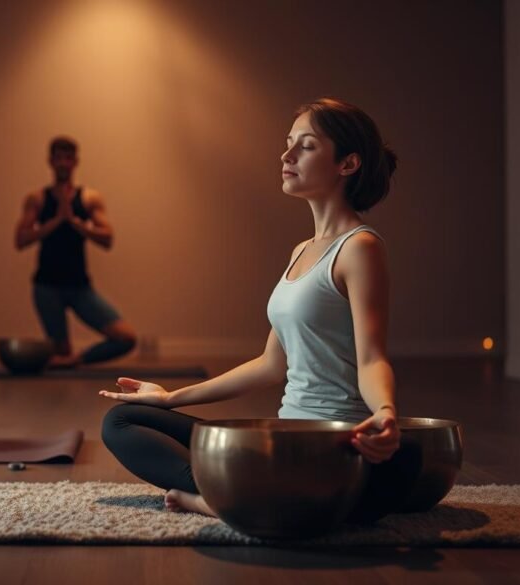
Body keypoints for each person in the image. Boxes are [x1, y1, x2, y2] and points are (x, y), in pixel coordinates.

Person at [99, 98, 410, 523]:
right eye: (288, 144)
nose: (287, 156)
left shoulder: (360, 248)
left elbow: (372, 357)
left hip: (330, 443)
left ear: (347, 164)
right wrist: (169, 398)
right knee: (123, 420)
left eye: (306, 146)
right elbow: (269, 365)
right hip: (284, 439)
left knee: (267, 475)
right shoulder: (302, 250)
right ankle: (244, 497)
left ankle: (233, 500)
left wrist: (386, 414)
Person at [14, 137, 137, 368]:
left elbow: (107, 238)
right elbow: (20, 239)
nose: (63, 163)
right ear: (50, 161)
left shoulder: (89, 198)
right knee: (59, 351)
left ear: (75, 162)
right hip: (47, 288)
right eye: (58, 158)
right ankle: (63, 357)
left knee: (126, 338)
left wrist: (75, 222)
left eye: (68, 158)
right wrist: (57, 220)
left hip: (80, 288)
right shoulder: (37, 199)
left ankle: (74, 360)